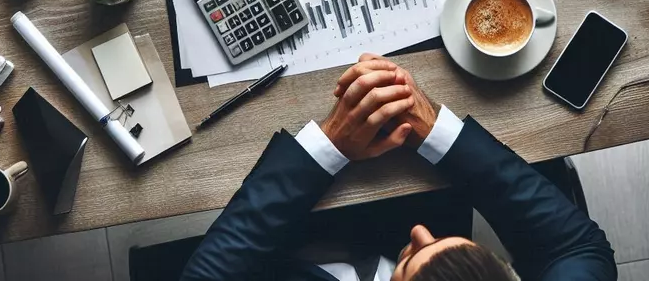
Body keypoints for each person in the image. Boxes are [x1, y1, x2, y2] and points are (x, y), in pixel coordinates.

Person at [179, 54, 617, 281]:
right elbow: (579, 251)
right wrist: (431, 129)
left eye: (409, 263)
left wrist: (325, 147)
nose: (421, 232)